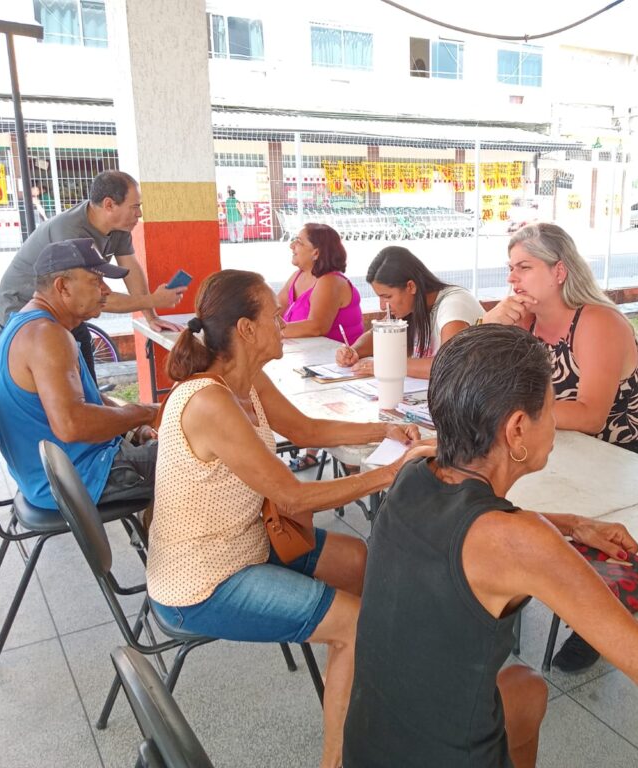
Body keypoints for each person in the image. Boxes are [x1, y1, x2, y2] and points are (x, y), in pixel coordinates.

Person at [343, 324, 638, 768]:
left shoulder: (414, 471)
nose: (556, 419)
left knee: (526, 688)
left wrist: (573, 524)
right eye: (550, 406)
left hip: (367, 748)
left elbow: (483, 532)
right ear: (517, 429)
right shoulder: (523, 542)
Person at [145, 269, 433, 768]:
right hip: (203, 584)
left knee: (360, 561)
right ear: (246, 329)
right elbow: (293, 497)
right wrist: (388, 473)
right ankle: (337, 759)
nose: (284, 324)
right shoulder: (208, 401)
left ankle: (369, 690)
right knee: (355, 622)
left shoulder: (244, 380)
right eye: (275, 318)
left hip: (247, 545)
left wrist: (386, 425)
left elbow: (303, 427)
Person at [482, 222, 638, 672]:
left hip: (617, 460)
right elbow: (479, 384)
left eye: (525, 267)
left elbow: (593, 414)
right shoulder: (525, 324)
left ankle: (595, 618)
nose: (513, 280)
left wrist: (520, 420)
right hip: (555, 452)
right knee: (493, 507)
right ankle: (510, 595)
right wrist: (489, 326)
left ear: (558, 271)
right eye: (511, 268)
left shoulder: (597, 322)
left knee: (528, 515)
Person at [0, 239, 160, 511]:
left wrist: (133, 428)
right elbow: (72, 424)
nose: (105, 290)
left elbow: (87, 398)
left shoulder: (31, 324)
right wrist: (146, 413)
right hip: (77, 479)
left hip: (50, 476)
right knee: (204, 458)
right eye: (96, 281)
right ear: (62, 286)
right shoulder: (47, 336)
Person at [0, 170, 186, 380]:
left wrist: (151, 316)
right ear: (109, 205)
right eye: (135, 207)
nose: (139, 214)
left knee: (85, 374)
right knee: (60, 386)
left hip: (64, 314)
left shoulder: (119, 228)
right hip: (21, 309)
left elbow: (131, 270)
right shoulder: (71, 233)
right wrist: (153, 299)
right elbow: (94, 298)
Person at [276, 223, 365, 471]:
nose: (292, 245)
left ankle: (351, 470)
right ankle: (313, 448)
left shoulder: (330, 281)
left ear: (316, 252)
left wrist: (270, 331)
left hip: (343, 369)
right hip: (311, 364)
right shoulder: (297, 277)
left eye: (298, 241)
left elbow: (316, 326)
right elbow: (275, 309)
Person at [335, 245, 484, 378]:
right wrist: (353, 352)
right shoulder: (409, 307)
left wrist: (387, 366)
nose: (382, 306)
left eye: (387, 297)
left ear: (411, 286)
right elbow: (377, 335)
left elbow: (449, 365)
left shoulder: (453, 305)